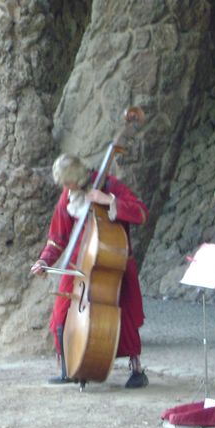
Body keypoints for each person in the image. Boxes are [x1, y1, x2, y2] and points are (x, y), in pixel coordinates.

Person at [31, 153, 149, 389]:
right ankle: (70, 368)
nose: (65, 189)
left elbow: (140, 212)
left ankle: (136, 370)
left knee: (123, 317)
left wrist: (109, 201)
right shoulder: (68, 195)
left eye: (68, 183)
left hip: (112, 261)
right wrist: (44, 261)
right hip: (78, 265)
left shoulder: (109, 185)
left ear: (78, 177)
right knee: (61, 314)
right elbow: (58, 237)